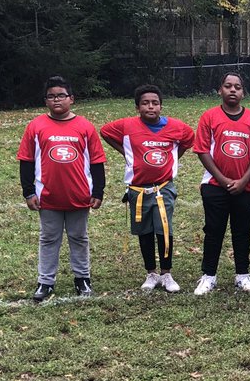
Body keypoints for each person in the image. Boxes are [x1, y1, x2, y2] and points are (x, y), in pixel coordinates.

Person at [17, 77, 106, 302]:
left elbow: (96, 161)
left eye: (61, 95)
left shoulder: (85, 127)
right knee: (48, 238)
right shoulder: (36, 126)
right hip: (47, 196)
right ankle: (45, 281)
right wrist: (29, 192)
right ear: (46, 100)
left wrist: (98, 192)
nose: (56, 100)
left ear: (71, 99)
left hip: (79, 195)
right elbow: (26, 160)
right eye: (51, 96)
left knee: (79, 237)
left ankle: (82, 279)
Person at [100, 85, 195, 293]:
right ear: (137, 107)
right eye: (145, 103)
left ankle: (166, 273)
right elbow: (105, 131)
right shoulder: (127, 126)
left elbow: (189, 139)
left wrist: (173, 160)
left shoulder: (176, 126)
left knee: (164, 230)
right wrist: (126, 153)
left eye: (155, 103)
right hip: (138, 189)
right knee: (144, 231)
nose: (150, 106)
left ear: (161, 106)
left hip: (163, 188)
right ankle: (151, 272)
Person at [192, 72, 250, 294]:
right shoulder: (209, 117)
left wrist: (243, 181)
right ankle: (208, 275)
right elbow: (202, 150)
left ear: (243, 92)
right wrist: (223, 180)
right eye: (228, 86)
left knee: (242, 231)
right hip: (215, 185)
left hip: (247, 187)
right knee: (213, 230)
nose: (233, 90)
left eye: (237, 87)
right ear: (220, 90)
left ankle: (242, 274)